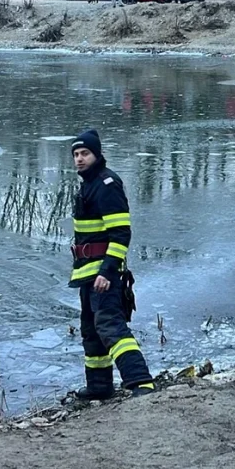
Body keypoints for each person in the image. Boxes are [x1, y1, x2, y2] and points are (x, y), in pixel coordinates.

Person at [69, 129, 155, 400]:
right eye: (76, 154)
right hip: (87, 273)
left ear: (97, 155)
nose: (79, 159)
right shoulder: (90, 184)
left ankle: (141, 383)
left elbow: (121, 233)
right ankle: (100, 387)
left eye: (85, 153)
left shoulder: (107, 184)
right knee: (91, 332)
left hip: (103, 273)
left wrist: (107, 271)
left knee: (111, 327)